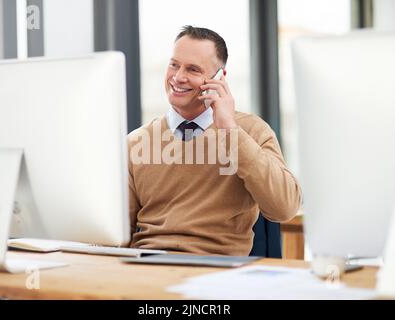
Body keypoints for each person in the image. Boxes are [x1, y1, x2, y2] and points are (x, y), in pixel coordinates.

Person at [128, 25, 301, 255]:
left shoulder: (252, 131)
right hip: (147, 263)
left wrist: (230, 130)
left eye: (193, 69)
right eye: (174, 65)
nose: (178, 77)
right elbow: (115, 234)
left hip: (217, 268)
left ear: (219, 78)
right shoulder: (136, 141)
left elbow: (285, 208)